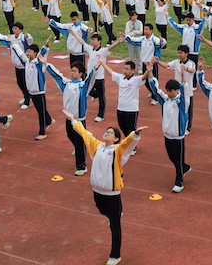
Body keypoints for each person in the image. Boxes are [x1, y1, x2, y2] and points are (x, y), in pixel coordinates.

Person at [62, 109, 147, 265]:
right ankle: (115, 214)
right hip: (97, 191)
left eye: (110, 133)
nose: (106, 133)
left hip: (112, 193)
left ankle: (115, 255)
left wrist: (135, 134)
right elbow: (85, 133)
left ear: (115, 138)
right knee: (102, 211)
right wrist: (73, 120)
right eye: (105, 131)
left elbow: (128, 143)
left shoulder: (118, 150)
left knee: (115, 224)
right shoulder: (97, 146)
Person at [43, 56, 97, 175]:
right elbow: (56, 75)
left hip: (79, 120)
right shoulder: (66, 84)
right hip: (68, 119)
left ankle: (81, 166)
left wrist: (95, 69)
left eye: (75, 71)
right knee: (69, 135)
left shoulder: (83, 86)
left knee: (79, 143)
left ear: (81, 73)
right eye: (71, 70)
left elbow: (90, 79)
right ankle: (79, 147)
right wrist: (46, 63)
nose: (72, 73)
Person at [147, 63, 191, 193]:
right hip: (167, 135)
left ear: (177, 91)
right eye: (168, 91)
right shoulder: (165, 100)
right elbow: (156, 89)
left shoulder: (182, 103)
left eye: (171, 91)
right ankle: (184, 167)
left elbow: (186, 94)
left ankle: (179, 182)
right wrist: (150, 73)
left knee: (177, 160)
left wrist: (183, 80)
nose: (169, 93)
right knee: (172, 158)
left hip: (178, 137)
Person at [68, 29, 123, 122]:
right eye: (92, 40)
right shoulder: (90, 49)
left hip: (99, 77)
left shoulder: (103, 51)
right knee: (86, 91)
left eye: (94, 40)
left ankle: (100, 115)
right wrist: (74, 34)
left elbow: (110, 48)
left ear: (99, 41)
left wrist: (118, 41)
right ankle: (95, 95)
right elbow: (82, 42)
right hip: (90, 77)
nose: (92, 41)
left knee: (102, 97)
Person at [10, 36, 54, 140]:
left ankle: (42, 132)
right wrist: (13, 43)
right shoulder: (26, 62)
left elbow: (43, 53)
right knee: (40, 109)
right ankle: (49, 120)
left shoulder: (39, 63)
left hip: (39, 92)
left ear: (35, 53)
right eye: (27, 51)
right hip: (31, 92)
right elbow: (20, 53)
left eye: (29, 51)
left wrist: (46, 45)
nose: (27, 53)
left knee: (41, 112)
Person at [0, 23, 34, 110]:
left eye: (15, 29)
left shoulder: (23, 38)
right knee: (20, 83)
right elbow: (1, 37)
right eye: (13, 29)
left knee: (25, 83)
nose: (13, 30)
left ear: (20, 30)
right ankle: (26, 96)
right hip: (17, 65)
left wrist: (28, 36)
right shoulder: (12, 38)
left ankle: (27, 100)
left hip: (24, 65)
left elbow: (30, 40)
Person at [100, 60, 148, 146]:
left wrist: (149, 69)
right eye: (124, 68)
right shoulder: (120, 78)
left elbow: (144, 76)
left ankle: (133, 146)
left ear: (133, 70)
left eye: (127, 69)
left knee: (131, 129)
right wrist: (102, 63)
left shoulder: (136, 80)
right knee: (122, 127)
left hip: (131, 109)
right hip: (120, 108)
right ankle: (128, 142)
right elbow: (111, 72)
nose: (124, 70)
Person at [153, 45, 196, 134]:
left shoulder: (190, 63)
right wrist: (158, 61)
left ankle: (188, 128)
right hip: (176, 92)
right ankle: (178, 125)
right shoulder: (176, 62)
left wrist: (186, 69)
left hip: (187, 91)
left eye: (181, 53)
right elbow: (166, 65)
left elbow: (192, 70)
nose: (179, 54)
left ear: (186, 54)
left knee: (188, 110)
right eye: (178, 52)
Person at [124, 24, 165, 104]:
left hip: (152, 64)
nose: (145, 31)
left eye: (146, 29)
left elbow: (160, 45)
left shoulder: (154, 39)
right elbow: (133, 40)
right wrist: (125, 36)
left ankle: (156, 98)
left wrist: (161, 41)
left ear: (151, 30)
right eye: (144, 29)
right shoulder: (142, 39)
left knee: (153, 80)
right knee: (145, 81)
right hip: (144, 63)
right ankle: (153, 92)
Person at [168, 11, 207, 89]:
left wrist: (207, 16)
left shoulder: (197, 28)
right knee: (184, 68)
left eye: (189, 20)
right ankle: (184, 82)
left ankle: (193, 85)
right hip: (184, 53)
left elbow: (204, 24)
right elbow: (174, 26)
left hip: (194, 52)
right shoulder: (184, 27)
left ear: (193, 20)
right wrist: (168, 16)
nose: (188, 22)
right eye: (187, 20)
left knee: (193, 69)